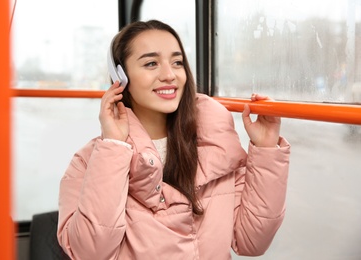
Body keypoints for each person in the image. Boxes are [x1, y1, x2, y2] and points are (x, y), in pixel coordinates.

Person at [57, 20, 290, 260]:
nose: (169, 75)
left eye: (177, 62)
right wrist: (114, 147)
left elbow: (252, 242)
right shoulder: (90, 162)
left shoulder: (217, 147)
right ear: (120, 76)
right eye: (151, 63)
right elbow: (90, 253)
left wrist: (266, 149)